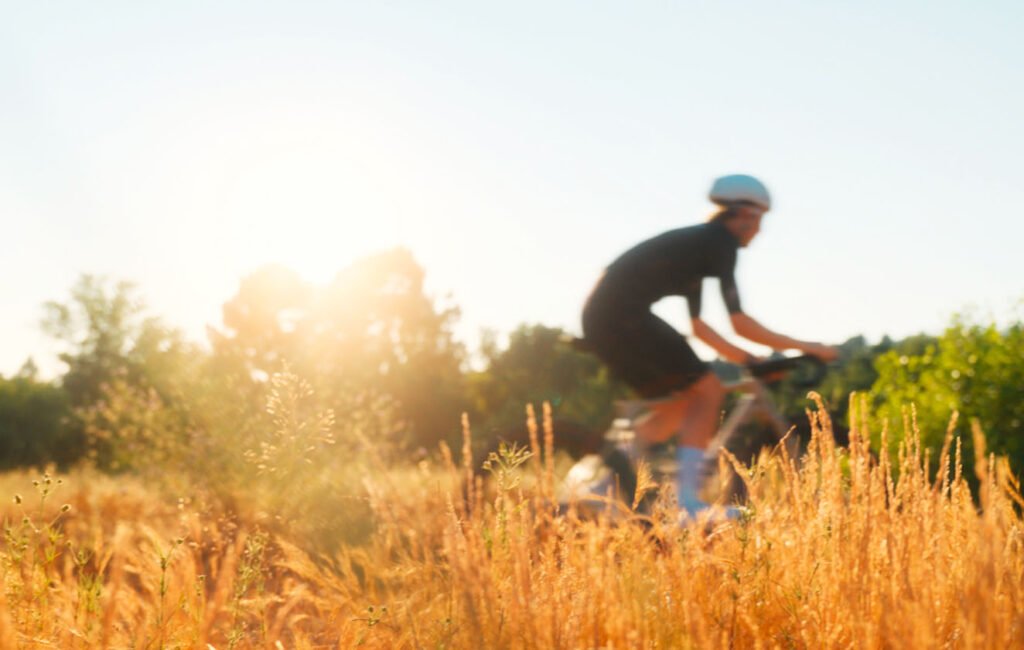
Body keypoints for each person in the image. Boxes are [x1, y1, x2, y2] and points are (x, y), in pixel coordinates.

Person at [581, 174, 838, 518]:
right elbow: (738, 322)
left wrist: (747, 359)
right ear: (742, 215)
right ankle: (688, 504)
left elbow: (700, 328)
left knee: (683, 401)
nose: (759, 231)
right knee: (710, 391)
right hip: (621, 317)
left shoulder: (698, 248)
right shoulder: (720, 244)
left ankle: (603, 488)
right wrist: (809, 346)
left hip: (606, 317)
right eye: (758, 221)